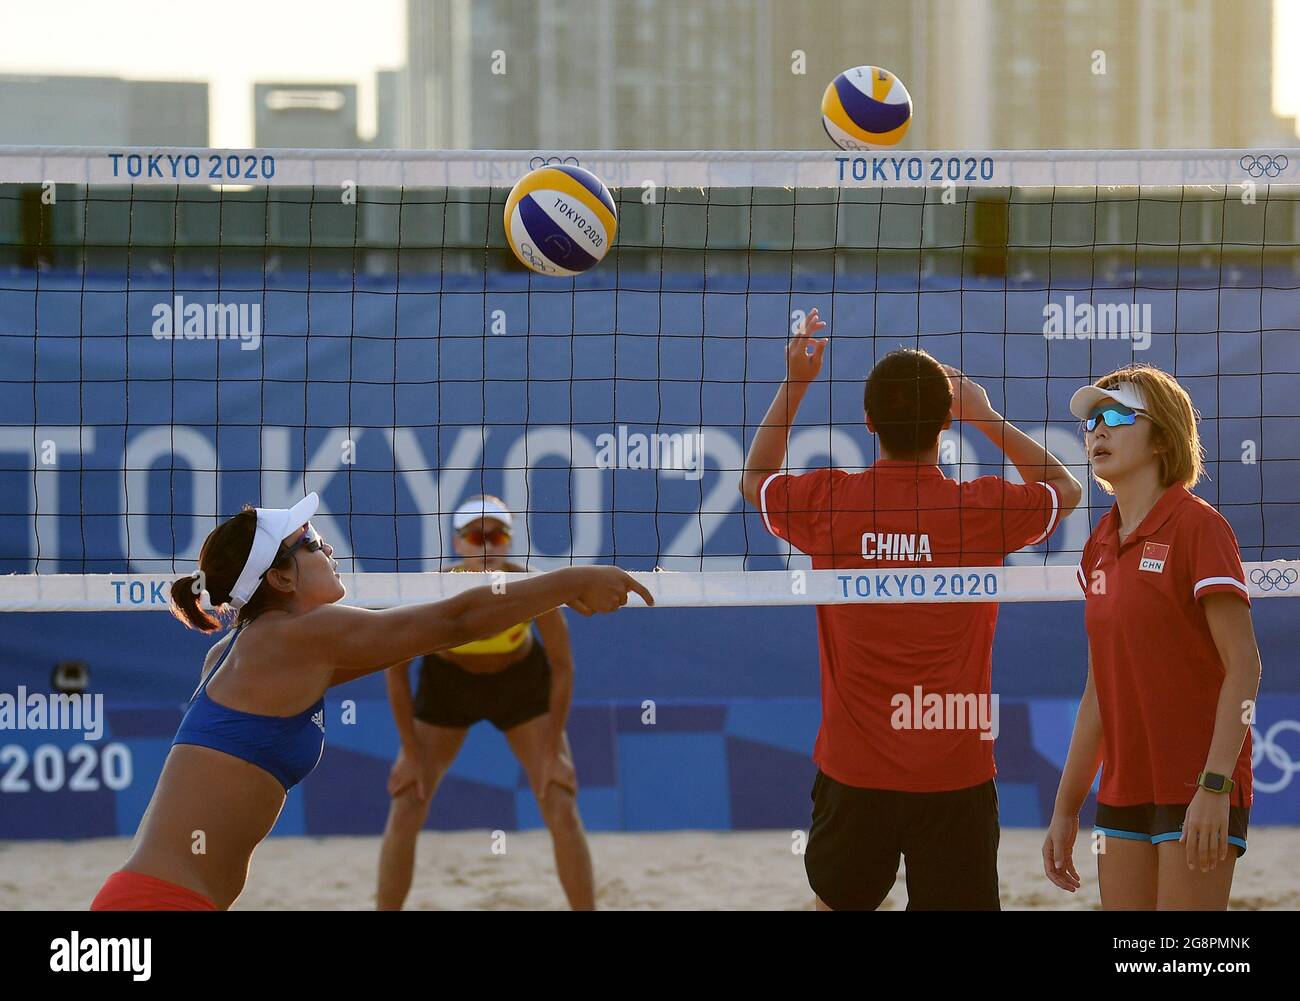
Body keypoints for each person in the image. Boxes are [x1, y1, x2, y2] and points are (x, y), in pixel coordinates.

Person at [89, 492, 651, 911]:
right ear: (281, 580)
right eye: (308, 543)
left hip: (151, 898)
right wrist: (571, 578)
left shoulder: (250, 648)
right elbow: (453, 619)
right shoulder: (294, 638)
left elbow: (430, 635)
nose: (326, 545)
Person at [738, 309, 1082, 910]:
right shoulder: (979, 509)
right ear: (947, 425)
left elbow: (756, 478)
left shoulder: (831, 502)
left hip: (856, 769)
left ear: (868, 422)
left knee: (838, 902)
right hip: (954, 763)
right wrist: (982, 413)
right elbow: (1067, 489)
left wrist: (796, 382)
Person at [1043, 366, 1261, 910]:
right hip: (1124, 785)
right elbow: (1100, 688)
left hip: (1198, 780)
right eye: (1092, 421)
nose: (1098, 431)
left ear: (1163, 436)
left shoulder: (1197, 527)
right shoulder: (1099, 543)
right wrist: (1067, 807)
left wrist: (1214, 787)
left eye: (1117, 417)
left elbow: (1245, 665)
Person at [376, 495, 593, 910]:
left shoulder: (532, 586)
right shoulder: (434, 588)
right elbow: (395, 668)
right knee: (407, 800)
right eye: (477, 534)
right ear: (459, 544)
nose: (488, 544)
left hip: (519, 683)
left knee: (560, 799)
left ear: (510, 541)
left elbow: (563, 665)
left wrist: (552, 750)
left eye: (498, 533)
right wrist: (409, 749)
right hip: (448, 684)